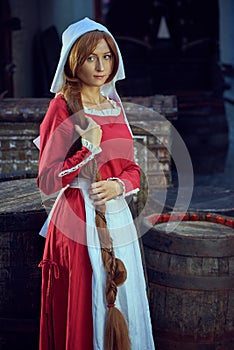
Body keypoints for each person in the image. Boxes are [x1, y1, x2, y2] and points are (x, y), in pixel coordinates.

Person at [35, 17, 155, 350]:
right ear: (74, 61)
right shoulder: (61, 108)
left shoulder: (115, 106)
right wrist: (86, 148)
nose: (101, 66)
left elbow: (132, 169)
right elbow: (46, 181)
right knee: (87, 304)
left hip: (116, 219)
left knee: (121, 298)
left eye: (106, 56)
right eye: (91, 57)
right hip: (77, 222)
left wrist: (118, 186)